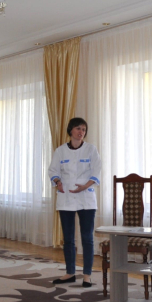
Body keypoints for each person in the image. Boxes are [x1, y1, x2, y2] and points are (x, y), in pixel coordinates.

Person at [48, 117, 101, 287]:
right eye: (78, 128)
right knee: (69, 239)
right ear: (71, 130)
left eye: (84, 129)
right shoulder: (60, 151)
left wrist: (85, 185)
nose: (81, 132)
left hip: (86, 198)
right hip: (66, 198)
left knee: (87, 238)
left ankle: (87, 275)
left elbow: (97, 171)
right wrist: (58, 181)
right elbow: (53, 171)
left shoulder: (91, 150)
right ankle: (70, 272)